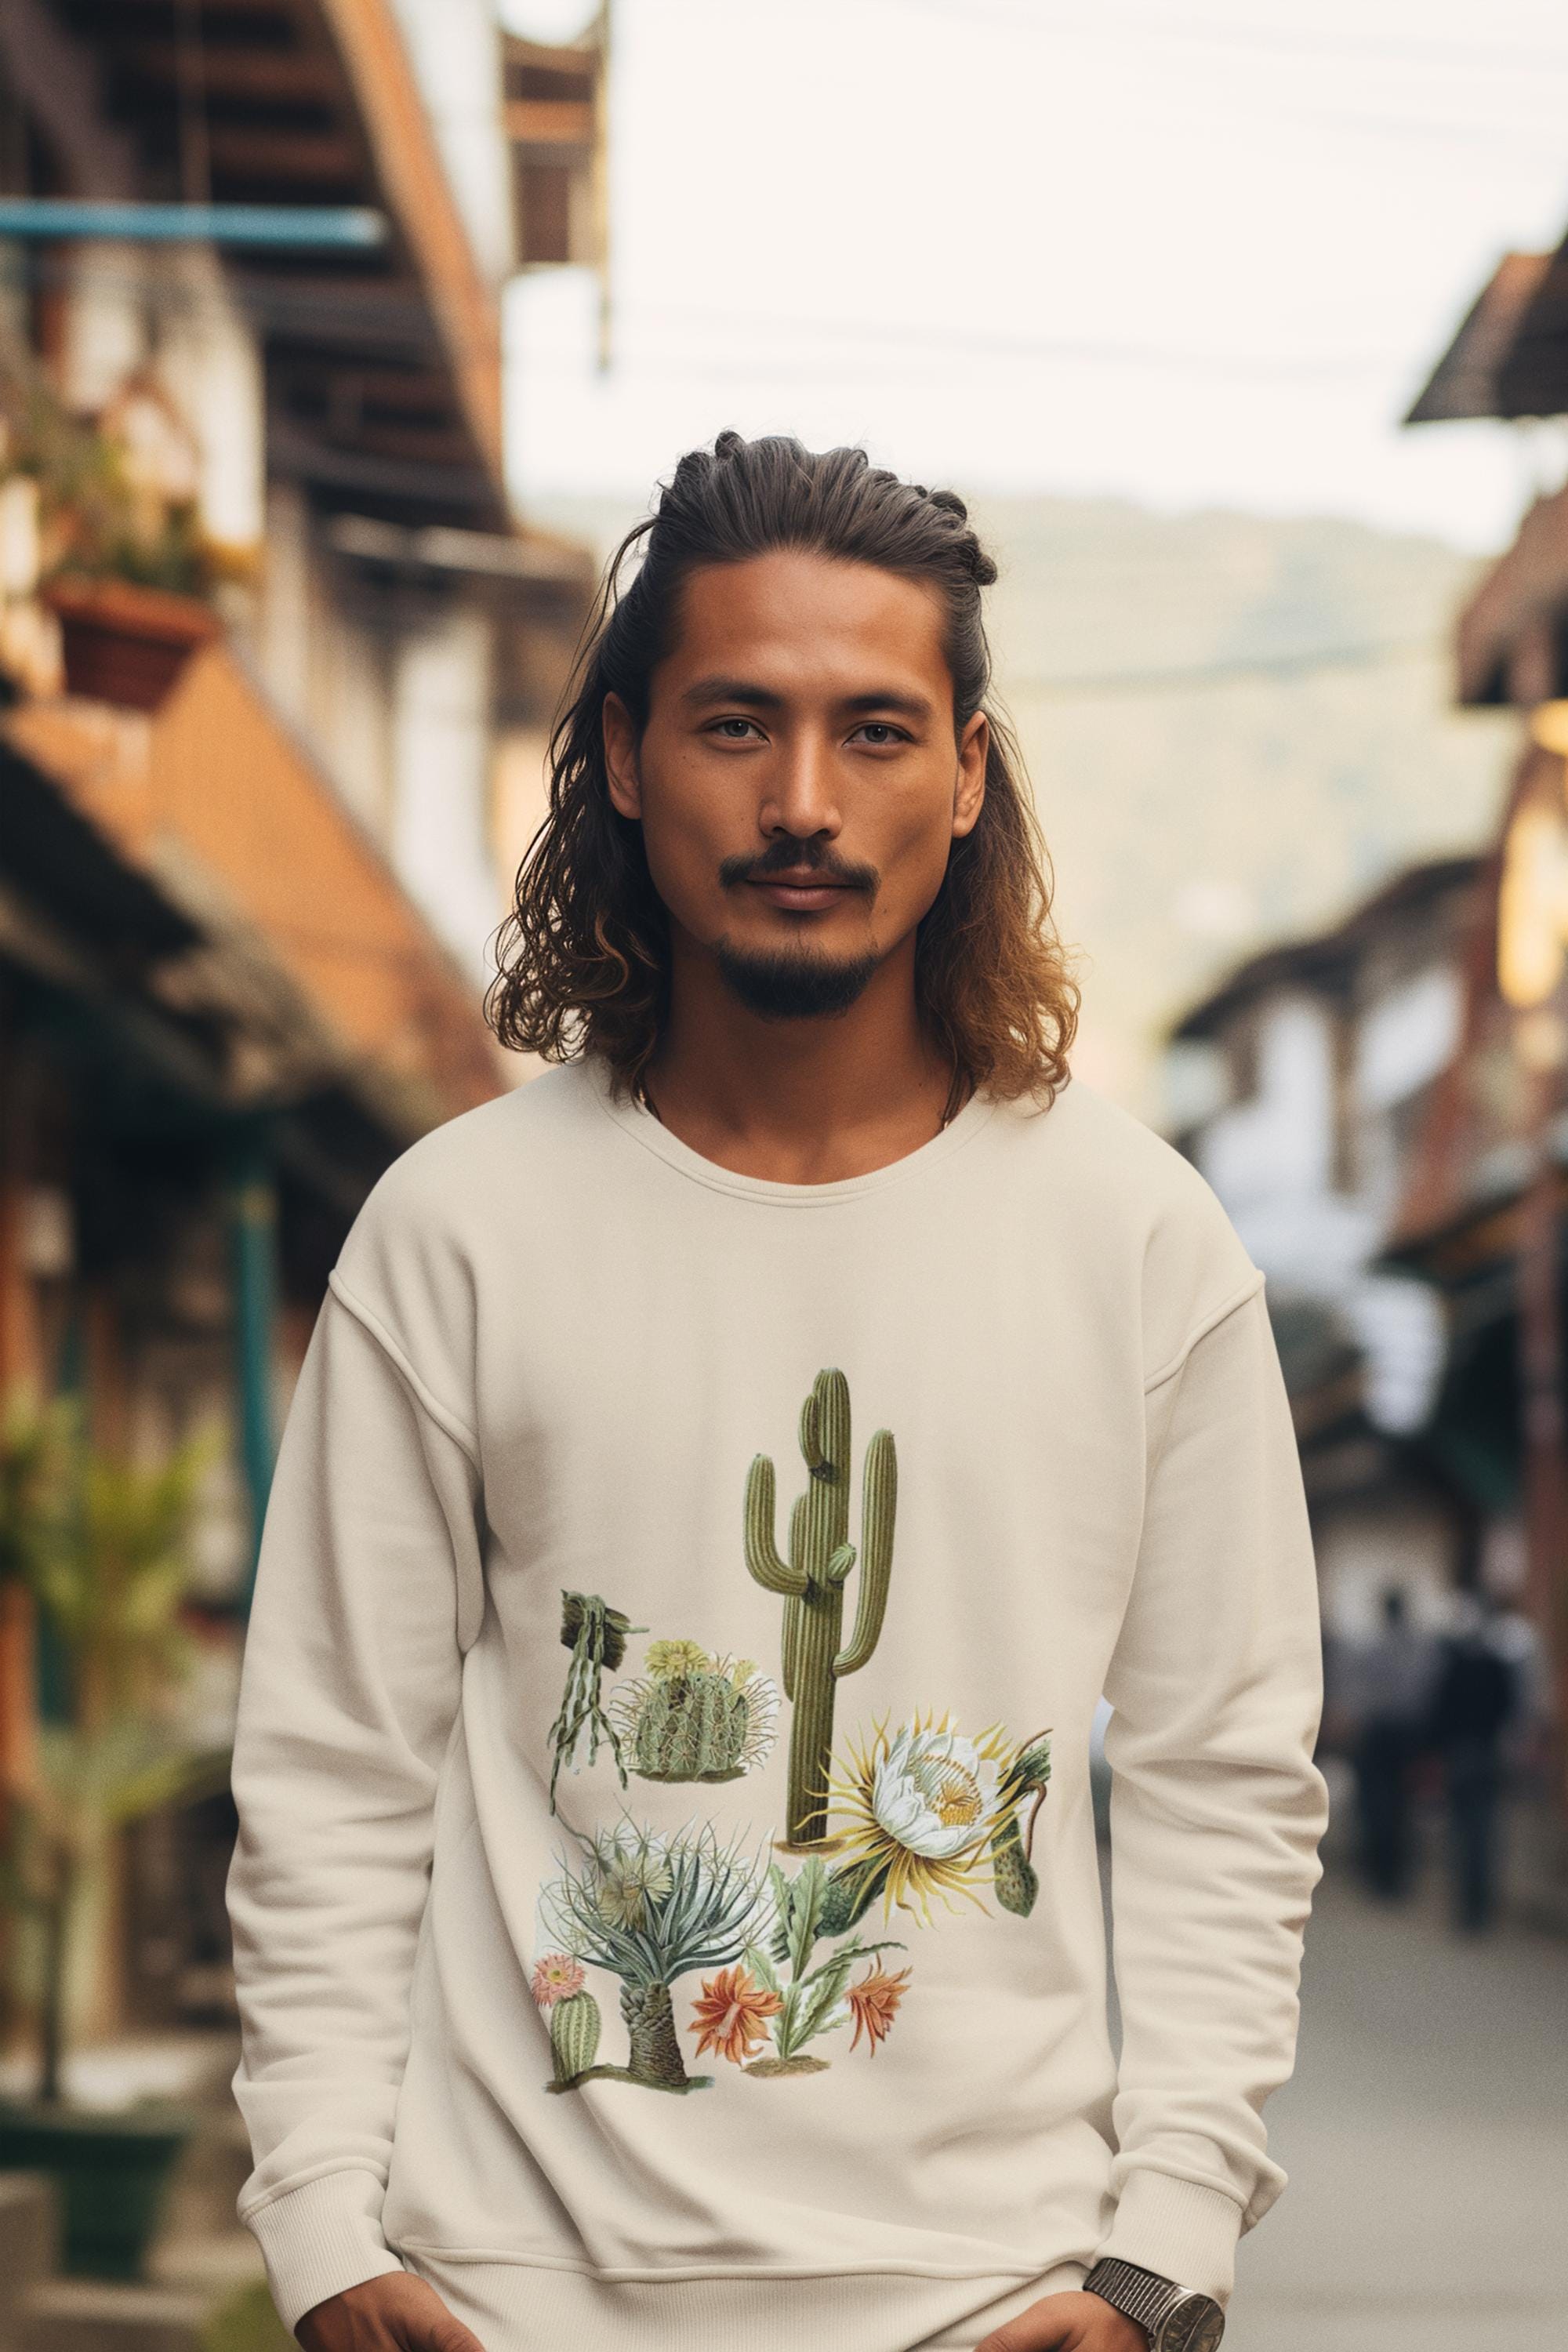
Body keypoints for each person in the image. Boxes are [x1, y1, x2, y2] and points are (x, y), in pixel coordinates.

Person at [225, 434, 1329, 2352]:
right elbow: (334, 1761)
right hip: (499, 2299)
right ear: (630, 756)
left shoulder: (1135, 1239)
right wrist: (324, 2220)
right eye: (738, 723)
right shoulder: (454, 1226)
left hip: (990, 2304)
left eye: (876, 731)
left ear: (968, 776)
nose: (802, 801)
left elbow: (1221, 1767)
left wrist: (1159, 2252)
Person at [1423, 1590, 1523, 1934]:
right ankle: (1480, 1907)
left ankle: (1468, 1908)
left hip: (1462, 1757)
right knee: (1484, 1833)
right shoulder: (1498, 1665)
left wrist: (1435, 1751)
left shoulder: (1454, 1666)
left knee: (1463, 1834)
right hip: (1488, 1754)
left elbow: (1440, 1715)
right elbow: (1510, 1709)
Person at [1341, 1585, 1440, 1902]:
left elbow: (1357, 1693)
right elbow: (1428, 1691)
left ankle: (1379, 1873)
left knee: (1376, 1804)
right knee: (1403, 1806)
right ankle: (1398, 1876)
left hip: (1378, 1733)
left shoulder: (1372, 1645)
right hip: (1408, 1734)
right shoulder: (1422, 1648)